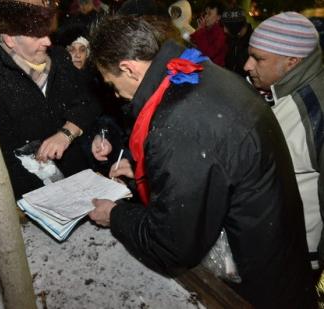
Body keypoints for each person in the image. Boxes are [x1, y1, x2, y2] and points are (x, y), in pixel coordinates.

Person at [88, 15, 315, 308]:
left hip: (252, 286)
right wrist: (144, 172)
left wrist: (115, 215)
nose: (116, 94)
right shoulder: (200, 72)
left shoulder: (179, 119)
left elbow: (171, 244)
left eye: (111, 83)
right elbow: (210, 168)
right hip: (276, 252)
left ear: (128, 69)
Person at [0, 0, 100, 198]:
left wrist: (67, 133)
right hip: (32, 192)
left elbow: (88, 102)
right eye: (37, 35)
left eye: (47, 32)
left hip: (79, 177)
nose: (48, 42)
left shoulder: (60, 57)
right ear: (10, 38)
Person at [244, 11, 324, 271]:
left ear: (291, 62)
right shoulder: (275, 90)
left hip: (299, 258)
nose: (247, 65)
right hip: (272, 244)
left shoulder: (316, 111)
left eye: (258, 58)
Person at [190, 0, 227, 66]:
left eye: (209, 14)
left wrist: (201, 31)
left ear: (218, 17)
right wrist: (199, 30)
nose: (206, 16)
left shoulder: (221, 35)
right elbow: (192, 41)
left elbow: (208, 54)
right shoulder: (207, 29)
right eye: (206, 13)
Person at [221, 6, 252, 77]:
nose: (224, 30)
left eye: (227, 27)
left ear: (235, 26)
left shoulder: (252, 45)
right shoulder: (233, 38)